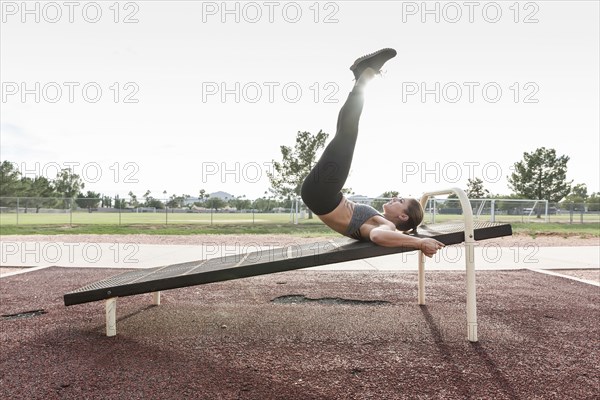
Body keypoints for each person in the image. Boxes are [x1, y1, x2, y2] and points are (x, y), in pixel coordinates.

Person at [300, 48, 445, 258]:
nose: (396, 197)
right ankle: (362, 76)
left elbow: (378, 237)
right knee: (344, 134)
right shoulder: (379, 218)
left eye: (401, 201)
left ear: (403, 217)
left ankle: (365, 75)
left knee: (347, 135)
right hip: (323, 195)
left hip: (322, 195)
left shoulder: (386, 225)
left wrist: (420, 243)